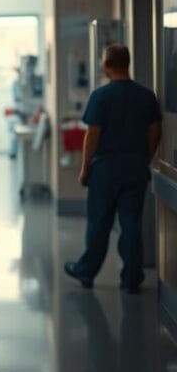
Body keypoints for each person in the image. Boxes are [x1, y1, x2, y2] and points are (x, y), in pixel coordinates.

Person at [64, 45, 161, 294]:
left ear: (106, 65)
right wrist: (144, 158)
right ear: (127, 63)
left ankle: (86, 272)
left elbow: (92, 136)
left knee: (99, 224)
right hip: (136, 169)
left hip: (105, 170)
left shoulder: (101, 96)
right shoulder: (146, 96)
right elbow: (155, 131)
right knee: (131, 223)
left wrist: (85, 169)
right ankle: (131, 278)